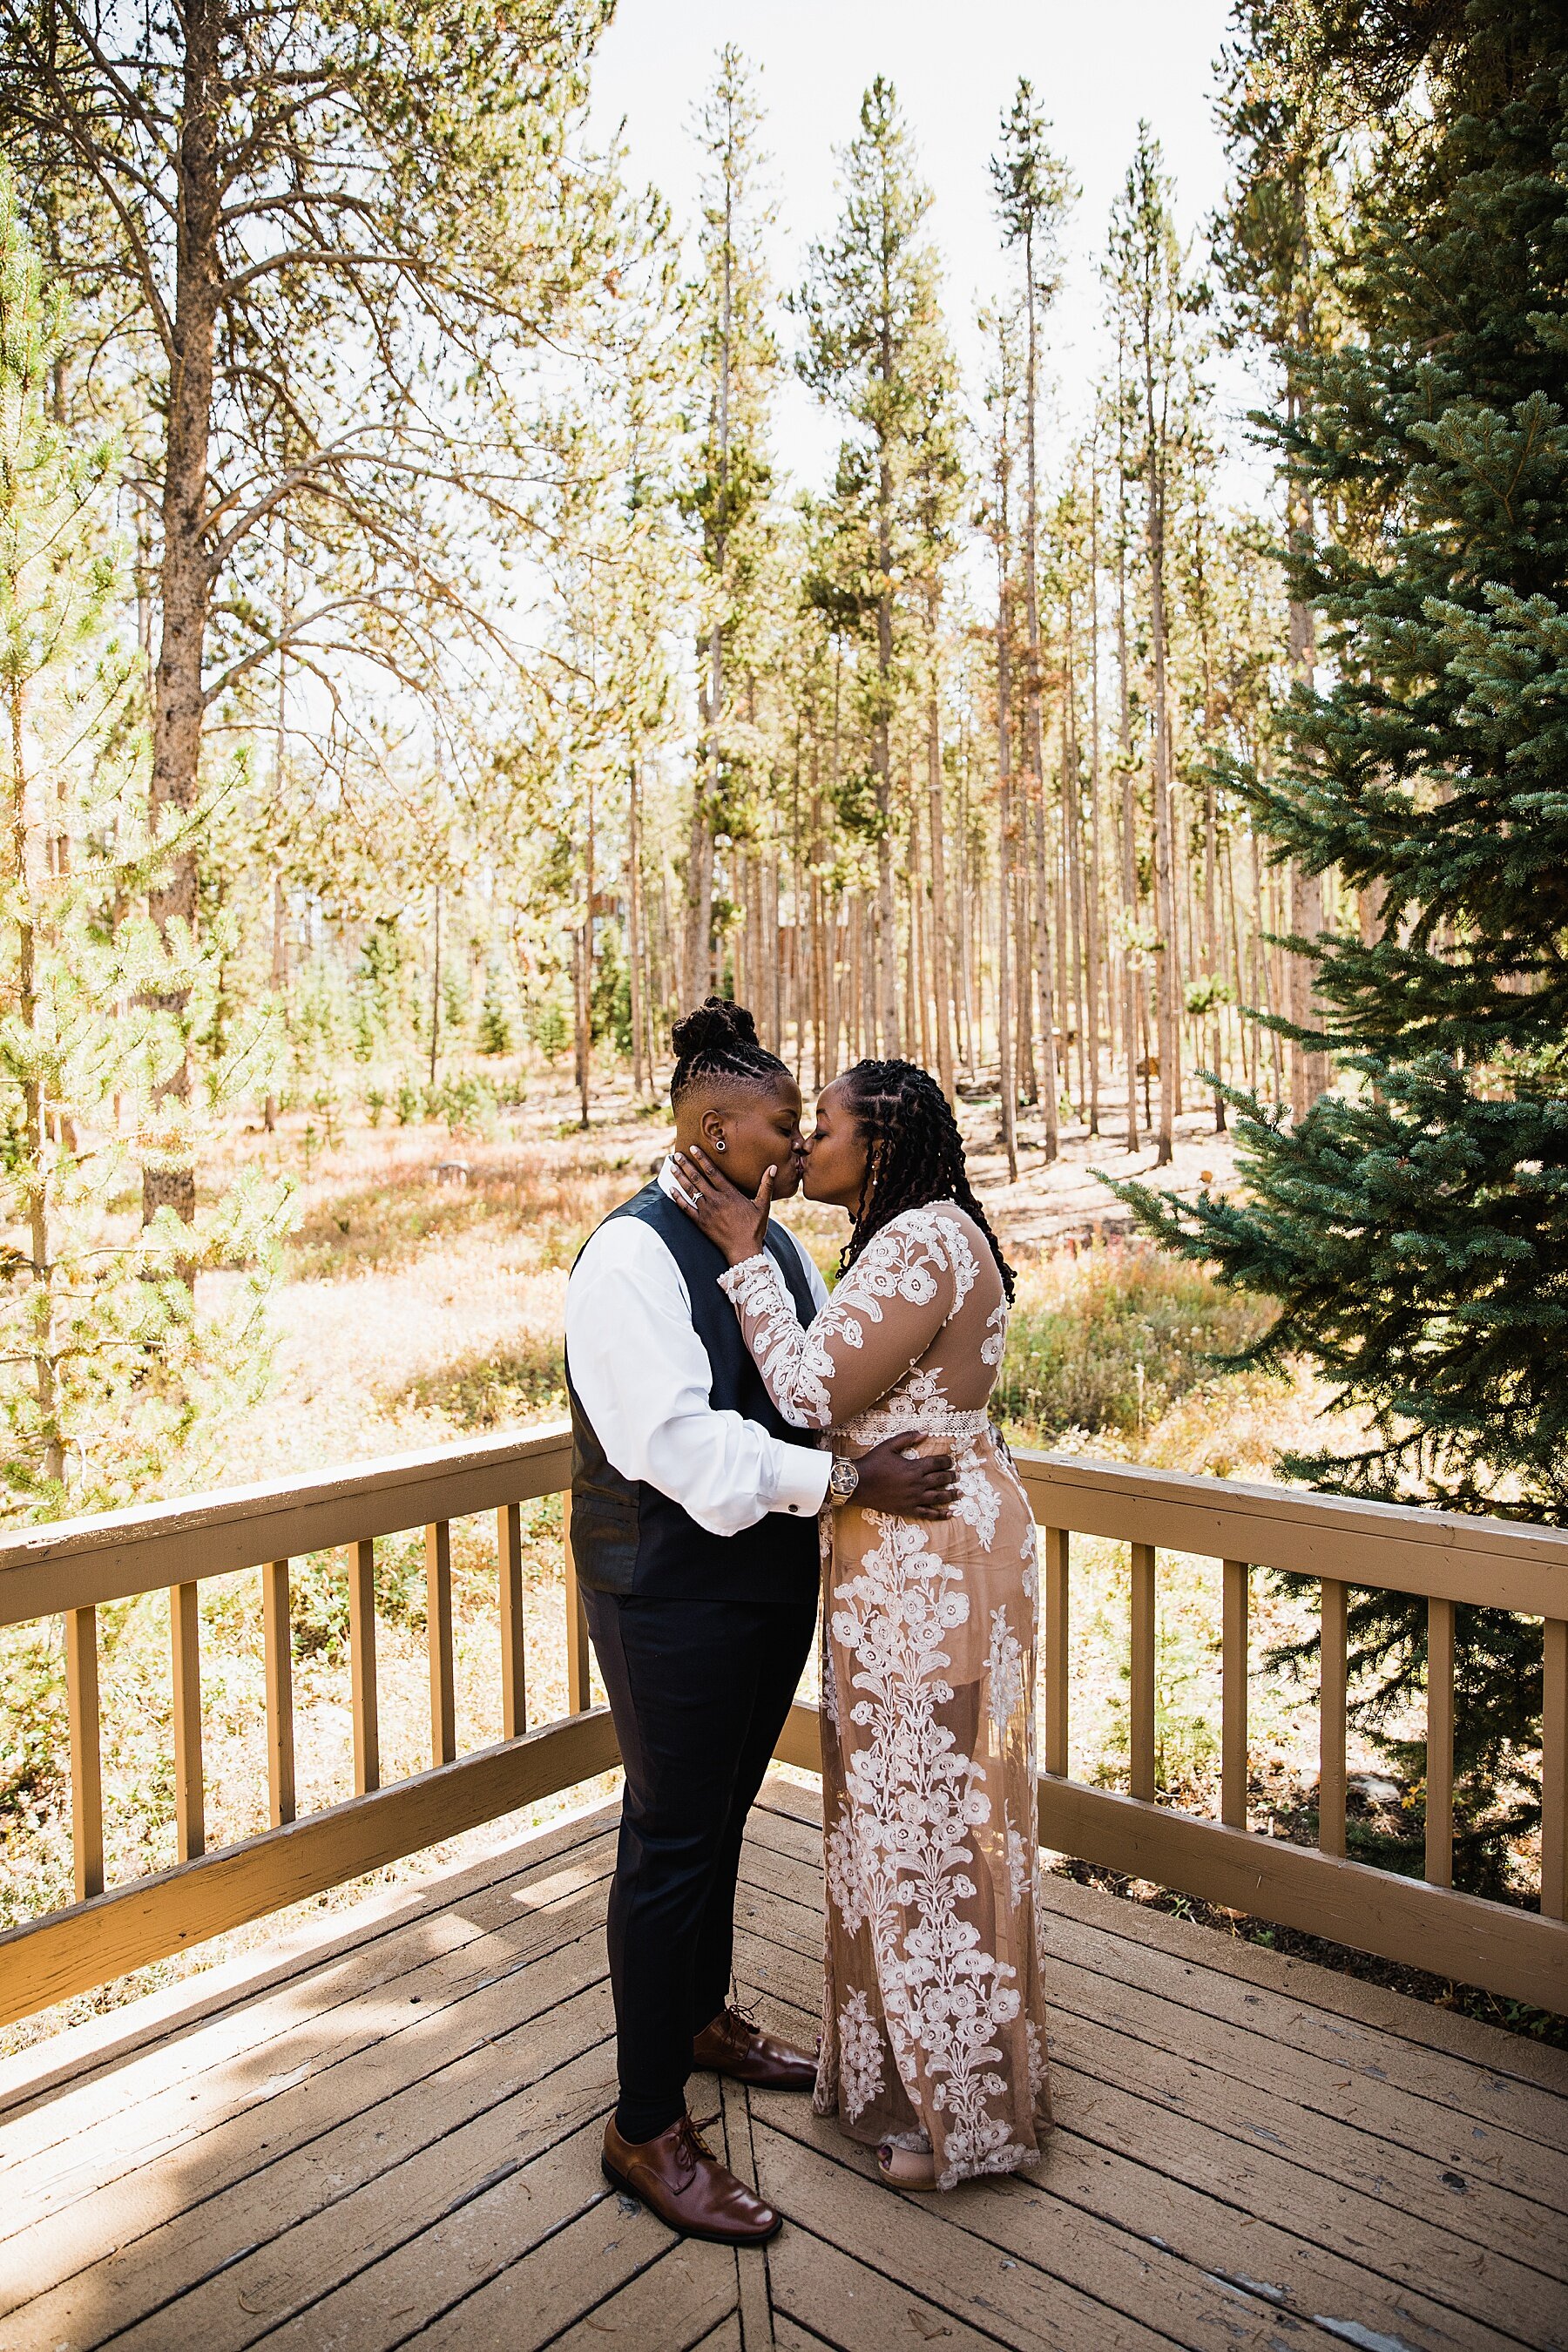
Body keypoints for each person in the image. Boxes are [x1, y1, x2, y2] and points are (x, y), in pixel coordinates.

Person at [564, 1003, 959, 2247]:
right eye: (784, 1125)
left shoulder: (770, 1248)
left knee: (722, 1820)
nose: (794, 1148)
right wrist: (847, 1482)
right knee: (670, 1838)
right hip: (667, 1592)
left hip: (758, 1587)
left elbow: (806, 1387)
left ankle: (696, 2017)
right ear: (711, 1126)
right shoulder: (629, 1260)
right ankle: (643, 2124)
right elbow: (679, 1446)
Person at [670, 1056, 1051, 2193]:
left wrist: (744, 1252)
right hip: (912, 1556)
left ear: (879, 1142)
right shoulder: (923, 1235)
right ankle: (927, 2081)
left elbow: (808, 1394)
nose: (801, 1149)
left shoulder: (924, 1240)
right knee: (907, 1823)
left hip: (929, 1567)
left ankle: (955, 2120)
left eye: (822, 1130)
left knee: (930, 1836)